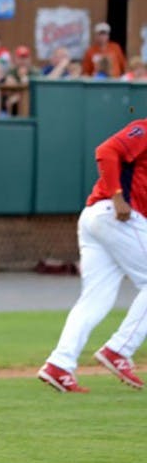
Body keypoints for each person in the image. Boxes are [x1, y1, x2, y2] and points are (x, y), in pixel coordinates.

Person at [38, 116, 147, 393]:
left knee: (94, 300)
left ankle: (59, 365)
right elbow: (106, 150)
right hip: (116, 213)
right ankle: (119, 349)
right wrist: (117, 196)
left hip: (101, 218)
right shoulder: (145, 128)